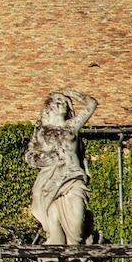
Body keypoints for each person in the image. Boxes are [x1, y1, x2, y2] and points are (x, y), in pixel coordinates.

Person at [24, 90, 97, 245]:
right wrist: (47, 159)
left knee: (77, 222)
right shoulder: (41, 131)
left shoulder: (72, 127)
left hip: (73, 177)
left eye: (65, 102)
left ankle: (76, 256)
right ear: (49, 107)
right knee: (54, 224)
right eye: (58, 101)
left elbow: (91, 105)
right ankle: (59, 260)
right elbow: (30, 156)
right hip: (50, 181)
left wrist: (74, 94)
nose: (63, 103)